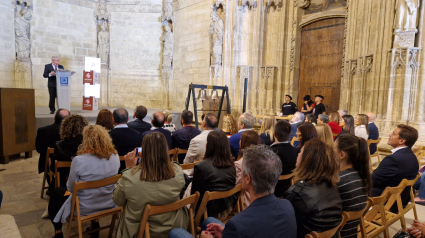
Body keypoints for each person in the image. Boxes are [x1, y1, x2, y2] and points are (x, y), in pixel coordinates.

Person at [169, 145, 297, 238]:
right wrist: (226, 232)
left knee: (175, 233)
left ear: (248, 179)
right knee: (210, 221)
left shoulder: (238, 224)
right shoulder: (287, 206)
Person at [49, 125, 120, 238]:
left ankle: (58, 232)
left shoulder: (79, 160)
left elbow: (71, 188)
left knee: (57, 192)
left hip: (84, 207)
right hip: (109, 203)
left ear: (85, 140)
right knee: (94, 190)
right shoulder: (115, 156)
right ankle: (95, 223)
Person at [113, 132, 187, 238]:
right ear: (165, 149)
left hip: (141, 231)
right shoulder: (178, 171)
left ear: (144, 151)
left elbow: (118, 200)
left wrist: (129, 168)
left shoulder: (130, 177)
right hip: (172, 227)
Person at [284, 138, 343, 238]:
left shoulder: (297, 194)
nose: (298, 154)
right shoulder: (332, 186)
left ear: (307, 160)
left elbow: (286, 226)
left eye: (301, 152)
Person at [191, 131, 236, 220]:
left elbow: (195, 196)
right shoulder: (232, 165)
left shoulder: (201, 167)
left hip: (206, 214)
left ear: (208, 145)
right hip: (227, 210)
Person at [372, 125, 419, 208]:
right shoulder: (412, 156)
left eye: (393, 134)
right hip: (400, 200)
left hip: (386, 201)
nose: (389, 135)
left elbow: (372, 181)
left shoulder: (393, 159)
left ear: (401, 141)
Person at [335, 134, 372, 238]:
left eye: (333, 148)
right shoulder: (363, 175)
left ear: (341, 154)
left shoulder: (339, 180)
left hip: (338, 233)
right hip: (351, 232)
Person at [50, 115, 88, 188]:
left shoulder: (59, 146)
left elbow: (53, 168)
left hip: (64, 183)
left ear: (64, 128)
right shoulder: (87, 146)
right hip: (84, 181)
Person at [36, 109, 70, 174]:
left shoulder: (42, 131)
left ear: (54, 117)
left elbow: (39, 149)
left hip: (48, 163)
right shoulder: (73, 133)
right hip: (68, 164)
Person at [271, 120, 298, 197]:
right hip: (288, 187)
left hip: (272, 189)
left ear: (274, 134)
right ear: (289, 135)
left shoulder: (271, 152)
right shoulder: (294, 150)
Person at [235, 131, 261, 207]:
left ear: (244, 143)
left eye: (241, 139)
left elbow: (236, 189)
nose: (239, 141)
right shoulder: (262, 160)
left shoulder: (239, 164)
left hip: (245, 203)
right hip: (260, 198)